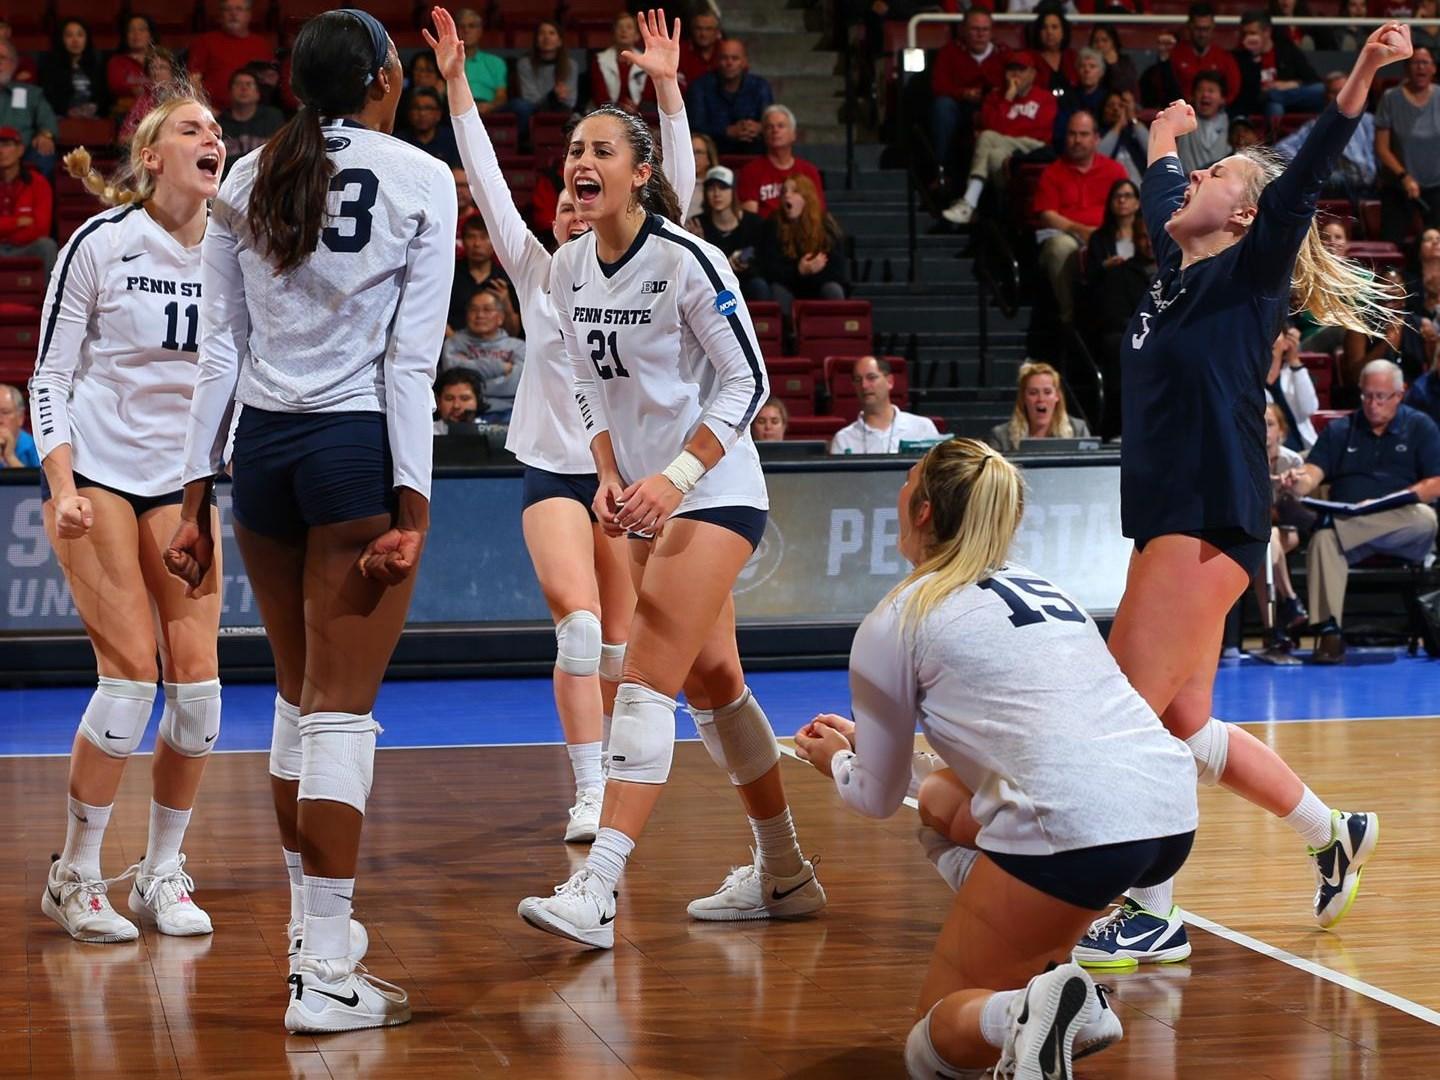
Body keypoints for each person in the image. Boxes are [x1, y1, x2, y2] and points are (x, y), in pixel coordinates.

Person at [1076, 27, 1407, 968]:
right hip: (1173, 518)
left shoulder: (1248, 273)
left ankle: (1152, 908)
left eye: (1221, 178)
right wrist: (1169, 128)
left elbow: (1300, 176)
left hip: (1208, 515)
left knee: (1128, 720)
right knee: (1183, 724)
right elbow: (1163, 174)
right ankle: (1329, 829)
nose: (1199, 182)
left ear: (1240, 217)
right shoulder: (1174, 263)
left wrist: (1366, 73)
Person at [170, 9, 456, 1032]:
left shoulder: (245, 176)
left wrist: (195, 499)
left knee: (297, 705)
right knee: (340, 714)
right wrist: (416, 504)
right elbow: (412, 366)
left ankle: (309, 939)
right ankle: (327, 974)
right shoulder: (423, 180)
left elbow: (219, 356)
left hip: (263, 458)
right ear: (383, 78)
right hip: (352, 455)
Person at [515, 85, 825, 948]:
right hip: (643, 494)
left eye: (601, 151)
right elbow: (582, 377)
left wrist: (677, 474)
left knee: (645, 672)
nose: (582, 162)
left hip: (716, 492)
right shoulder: (570, 265)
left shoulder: (689, 259)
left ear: (642, 173)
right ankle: (785, 869)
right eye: (575, 149)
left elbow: (747, 383)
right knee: (715, 684)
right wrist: (608, 472)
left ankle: (598, 887)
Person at [792, 439, 1197, 1079]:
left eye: (906, 482)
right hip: (1169, 815)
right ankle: (1049, 982)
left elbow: (873, 795)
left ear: (923, 512)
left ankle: (1027, 1008)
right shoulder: (1046, 589)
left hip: (1074, 829)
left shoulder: (899, 616)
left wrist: (839, 762)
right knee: (936, 800)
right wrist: (873, 749)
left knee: (931, 1050)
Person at [431, 7, 697, 841]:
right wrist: (453, 89)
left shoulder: (650, 264)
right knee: (579, 632)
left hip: (629, 475)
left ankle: (618, 782)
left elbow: (678, 197)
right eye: (566, 203)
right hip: (555, 467)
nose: (576, 214)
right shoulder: (537, 270)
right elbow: (487, 181)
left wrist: (665, 87)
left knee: (621, 646)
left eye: (592, 205)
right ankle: (588, 791)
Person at [27, 85, 227, 947]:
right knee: (128, 684)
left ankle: (161, 870)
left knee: (200, 700)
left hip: (186, 484)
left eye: (217, 129)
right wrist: (62, 483)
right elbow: (47, 378)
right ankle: (74, 874)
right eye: (192, 128)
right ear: (152, 156)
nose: (211, 137)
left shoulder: (236, 249)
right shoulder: (100, 243)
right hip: (102, 474)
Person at [1282, 359, 1440, 661]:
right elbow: (1315, 470)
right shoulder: (1342, 430)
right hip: (1351, 527)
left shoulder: (1420, 426)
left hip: (1403, 529)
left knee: (1426, 519)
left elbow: (1436, 482)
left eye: (1381, 396)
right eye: (1366, 395)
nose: (1372, 404)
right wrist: (1299, 482)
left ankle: (1327, 522)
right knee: (1324, 541)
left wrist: (1393, 500)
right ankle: (1329, 634)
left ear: (1400, 393)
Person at [1033, 110, 1127, 326]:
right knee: (1059, 247)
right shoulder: (1053, 172)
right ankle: (1069, 317)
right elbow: (1047, 215)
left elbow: (1128, 206)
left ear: (1096, 138)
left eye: (1083, 134)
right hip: (1069, 239)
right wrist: (1080, 229)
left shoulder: (1114, 170)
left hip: (1108, 239)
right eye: (1072, 134)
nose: (1077, 140)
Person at [941, 53, 1056, 226]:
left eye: (1021, 70)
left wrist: (1006, 129)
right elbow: (994, 126)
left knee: (987, 137)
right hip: (1004, 149)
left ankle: (969, 202)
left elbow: (1037, 132)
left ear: (1032, 74)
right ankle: (1005, 210)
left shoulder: (1046, 99)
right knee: (995, 156)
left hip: (1033, 149)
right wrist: (1008, 100)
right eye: (1011, 70)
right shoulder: (995, 98)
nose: (1015, 75)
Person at [1084, 178, 1155, 439]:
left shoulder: (1177, 274)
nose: (1149, 243)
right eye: (1143, 237)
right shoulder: (1120, 274)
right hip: (1136, 341)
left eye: (1153, 237)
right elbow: (1114, 318)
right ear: (1134, 240)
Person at [929, 8, 1009, 176]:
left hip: (993, 107)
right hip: (959, 107)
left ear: (991, 32)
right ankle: (941, 169)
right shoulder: (949, 52)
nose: (980, 34)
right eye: (975, 29)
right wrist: (964, 93)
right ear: (963, 30)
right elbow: (939, 86)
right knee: (943, 106)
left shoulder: (1003, 53)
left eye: (985, 29)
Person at [1257, 401, 1310, 650]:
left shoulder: (1294, 461)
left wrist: (1288, 490)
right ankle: (1286, 607)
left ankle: (1273, 627)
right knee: (1265, 549)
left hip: (1288, 530)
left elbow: (1299, 510)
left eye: (1269, 424)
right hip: (1260, 534)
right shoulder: (1245, 460)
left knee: (1269, 540)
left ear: (1281, 431)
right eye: (1259, 424)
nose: (1264, 429)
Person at [1276, 72, 1378, 201]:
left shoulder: (1369, 121)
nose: (1342, 97)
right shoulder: (1317, 125)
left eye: (1345, 91)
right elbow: (1281, 148)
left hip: (1372, 182)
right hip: (1338, 182)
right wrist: (1307, 165)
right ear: (1326, 97)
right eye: (1335, 92)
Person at [757, 175, 848, 317]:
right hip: (788, 285)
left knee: (833, 289)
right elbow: (769, 269)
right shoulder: (772, 225)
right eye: (784, 191)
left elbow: (838, 271)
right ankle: (789, 336)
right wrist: (799, 270)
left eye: (794, 191)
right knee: (776, 291)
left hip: (819, 284)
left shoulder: (826, 226)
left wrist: (812, 271)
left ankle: (833, 335)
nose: (787, 195)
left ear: (807, 198)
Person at [1375, 49, 1440, 239]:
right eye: (1415, 63)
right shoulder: (1390, 98)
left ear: (1434, 68)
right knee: (1393, 242)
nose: (1421, 67)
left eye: (1426, 62)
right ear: (1406, 68)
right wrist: (1404, 176)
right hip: (1398, 186)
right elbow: (1381, 148)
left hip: (1436, 187)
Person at [440, 291, 525, 421]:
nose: (480, 315)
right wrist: (502, 368)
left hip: (510, 412)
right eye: (474, 309)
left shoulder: (519, 347)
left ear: (500, 317)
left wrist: (473, 378)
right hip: (464, 413)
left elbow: (517, 385)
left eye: (487, 309)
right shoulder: (453, 344)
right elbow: (454, 379)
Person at [830, 356, 940, 454]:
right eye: (858, 380)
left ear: (890, 381)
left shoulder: (922, 428)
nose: (864, 385)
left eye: (871, 377)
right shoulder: (844, 439)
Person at [1342, 266, 1433, 385]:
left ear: (1405, 296)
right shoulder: (1359, 327)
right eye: (1385, 292)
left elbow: (1433, 374)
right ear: (1375, 296)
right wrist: (1386, 344)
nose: (1391, 291)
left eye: (1396, 288)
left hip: (1412, 395)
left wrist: (1433, 345)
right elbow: (1354, 377)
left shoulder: (1422, 325)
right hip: (1372, 392)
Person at [689, 165, 768, 299]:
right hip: (713, 283)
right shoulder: (698, 224)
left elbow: (764, 262)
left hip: (746, 281)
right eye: (711, 188)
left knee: (758, 285)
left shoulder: (754, 223)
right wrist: (698, 244)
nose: (716, 194)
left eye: (723, 187)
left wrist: (746, 265)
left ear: (733, 191)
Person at [1231, 10, 1323, 121]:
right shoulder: (1240, 56)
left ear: (1267, 32)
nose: (1247, 38)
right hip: (1259, 101)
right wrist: (1254, 55)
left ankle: (1274, 96)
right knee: (1275, 107)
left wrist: (1291, 84)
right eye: (1244, 34)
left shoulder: (1286, 49)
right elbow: (1244, 92)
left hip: (1289, 96)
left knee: (1321, 89)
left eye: (1252, 33)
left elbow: (1312, 78)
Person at [687, 38, 773, 153]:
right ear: (717, 61)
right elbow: (695, 127)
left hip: (754, 151)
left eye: (735, 58)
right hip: (713, 155)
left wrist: (760, 127)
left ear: (744, 62)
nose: (729, 63)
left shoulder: (760, 86)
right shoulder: (700, 87)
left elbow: (771, 119)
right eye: (724, 58)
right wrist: (727, 132)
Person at [737, 105, 825, 218]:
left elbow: (818, 214)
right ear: (764, 135)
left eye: (781, 126)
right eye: (769, 127)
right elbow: (750, 221)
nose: (775, 130)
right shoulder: (750, 171)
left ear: (793, 135)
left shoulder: (809, 171)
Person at [187, 0, 274, 113]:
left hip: (254, 115)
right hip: (213, 112)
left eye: (239, 9)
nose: (233, 14)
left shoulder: (262, 45)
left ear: (248, 15)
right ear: (221, 15)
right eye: (228, 9)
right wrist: (206, 110)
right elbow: (193, 80)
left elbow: (269, 83)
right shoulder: (205, 42)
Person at [989, 360, 1091, 452]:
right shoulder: (1001, 437)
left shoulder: (1078, 431)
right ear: (1023, 398)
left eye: (1047, 392)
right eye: (1033, 393)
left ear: (1057, 396)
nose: (1041, 399)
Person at [448, 214, 520, 335]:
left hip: (497, 350)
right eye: (471, 237)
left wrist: (506, 302)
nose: (477, 244)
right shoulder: (450, 275)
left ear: (495, 242)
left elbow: (514, 332)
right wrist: (455, 342)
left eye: (484, 237)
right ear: (463, 241)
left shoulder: (506, 278)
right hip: (454, 348)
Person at [0, 125, 57, 273]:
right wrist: (18, 222)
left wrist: (7, 233)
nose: (1, 151)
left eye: (6, 145)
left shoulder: (38, 183)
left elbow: (42, 228)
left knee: (47, 246)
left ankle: (51, 296)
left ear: (20, 150)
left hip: (25, 247)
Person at [0, 40, 58, 175]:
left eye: (2, 58)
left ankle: (37, 195)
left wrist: (45, 135)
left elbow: (47, 120)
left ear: (13, 64)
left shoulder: (30, 93)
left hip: (22, 151)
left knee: (44, 153)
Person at [39, 19, 108, 121]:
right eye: (69, 35)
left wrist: (95, 107)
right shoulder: (50, 67)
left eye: (80, 35)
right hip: (61, 118)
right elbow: (48, 98)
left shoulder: (97, 66)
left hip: (92, 117)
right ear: (61, 39)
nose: (75, 40)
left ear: (86, 39)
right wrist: (67, 111)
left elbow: (104, 97)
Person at [591, 13, 654, 115]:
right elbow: (600, 96)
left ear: (637, 36)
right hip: (608, 114)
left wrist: (635, 109)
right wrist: (620, 108)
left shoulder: (646, 61)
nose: (623, 31)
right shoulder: (599, 60)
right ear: (613, 33)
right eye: (619, 27)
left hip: (641, 114)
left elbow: (648, 96)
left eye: (629, 27)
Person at [219, 68, 283, 169]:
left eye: (249, 84)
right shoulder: (219, 124)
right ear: (230, 92)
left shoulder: (273, 118)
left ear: (258, 93)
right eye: (238, 84)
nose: (243, 88)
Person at [515, 20, 578, 122]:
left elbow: (570, 101)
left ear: (559, 41)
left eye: (552, 33)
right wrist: (553, 96)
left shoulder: (571, 65)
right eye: (542, 33)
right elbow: (530, 98)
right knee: (520, 106)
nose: (546, 37)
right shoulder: (525, 64)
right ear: (536, 40)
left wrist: (558, 97)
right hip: (532, 111)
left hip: (561, 109)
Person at [1270, 325, 1321, 448]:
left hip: (1302, 449)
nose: (1269, 337)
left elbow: (1309, 408)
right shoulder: (1249, 379)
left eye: (1275, 332)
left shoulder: (1295, 373)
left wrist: (1294, 360)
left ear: (1286, 343)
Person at [1176, 71, 1230, 176]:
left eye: (1211, 90)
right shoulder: (1182, 120)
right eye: (1200, 90)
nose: (1205, 94)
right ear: (1192, 96)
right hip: (1187, 184)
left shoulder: (1232, 125)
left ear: (1222, 99)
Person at [120, 47, 179, 145]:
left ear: (172, 72)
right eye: (152, 68)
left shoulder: (183, 98)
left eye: (162, 67)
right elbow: (124, 138)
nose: (156, 72)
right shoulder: (143, 100)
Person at [455, 8, 507, 114]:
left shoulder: (496, 63)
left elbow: (501, 96)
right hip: (454, 110)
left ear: (480, 31)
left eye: (471, 26)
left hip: (488, 110)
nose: (466, 30)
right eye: (462, 26)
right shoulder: (448, 62)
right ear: (455, 31)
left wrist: (490, 106)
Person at [399, 86, 461, 168]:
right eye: (417, 108)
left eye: (428, 108)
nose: (422, 113)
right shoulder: (399, 141)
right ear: (409, 113)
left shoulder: (452, 140)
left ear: (439, 114)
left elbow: (459, 174)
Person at [1056, 48, 1108, 145]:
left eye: (1092, 66)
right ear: (1077, 71)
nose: (1087, 70)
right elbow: (1061, 132)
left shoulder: (1109, 98)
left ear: (1101, 73)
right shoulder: (1067, 98)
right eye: (1082, 66)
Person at [1098, 89, 1148, 187]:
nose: (1116, 109)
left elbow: (1152, 150)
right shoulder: (1099, 133)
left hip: (1141, 190)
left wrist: (1132, 118)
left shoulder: (1135, 131)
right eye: (1110, 106)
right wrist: (1118, 125)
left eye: (1121, 105)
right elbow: (1099, 157)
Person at [107, 15, 155, 113]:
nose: (136, 34)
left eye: (141, 29)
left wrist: (137, 89)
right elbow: (117, 86)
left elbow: (166, 84)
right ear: (126, 36)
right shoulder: (117, 62)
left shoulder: (159, 59)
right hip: (126, 112)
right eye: (131, 30)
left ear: (151, 36)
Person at [1026, 5, 1077, 94]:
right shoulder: (1030, 58)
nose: (1049, 32)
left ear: (1063, 32)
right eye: (1044, 28)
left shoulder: (1073, 57)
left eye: (1054, 27)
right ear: (1038, 32)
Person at [432, 367, 487, 433]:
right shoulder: (426, 434)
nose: (456, 406)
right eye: (449, 399)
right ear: (438, 403)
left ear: (478, 401)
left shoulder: (493, 435)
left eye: (464, 398)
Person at [678, 8, 722, 90]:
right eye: (698, 28)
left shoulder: (726, 50)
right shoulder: (678, 51)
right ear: (692, 30)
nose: (703, 34)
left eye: (708, 29)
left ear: (717, 32)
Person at [0, 383, 40, 467]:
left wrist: (10, 457)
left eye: (5, 412)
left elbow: (38, 480)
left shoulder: (35, 447)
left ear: (20, 417)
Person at [1090, 25, 1136, 94]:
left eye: (1104, 40)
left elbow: (1125, 87)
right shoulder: (1087, 62)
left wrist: (1113, 65)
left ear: (1113, 42)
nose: (1100, 45)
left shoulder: (1125, 61)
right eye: (1096, 41)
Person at [687, 131, 719, 218]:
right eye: (690, 152)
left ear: (709, 158)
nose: (693, 157)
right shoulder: (675, 184)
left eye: (698, 152)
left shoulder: (718, 186)